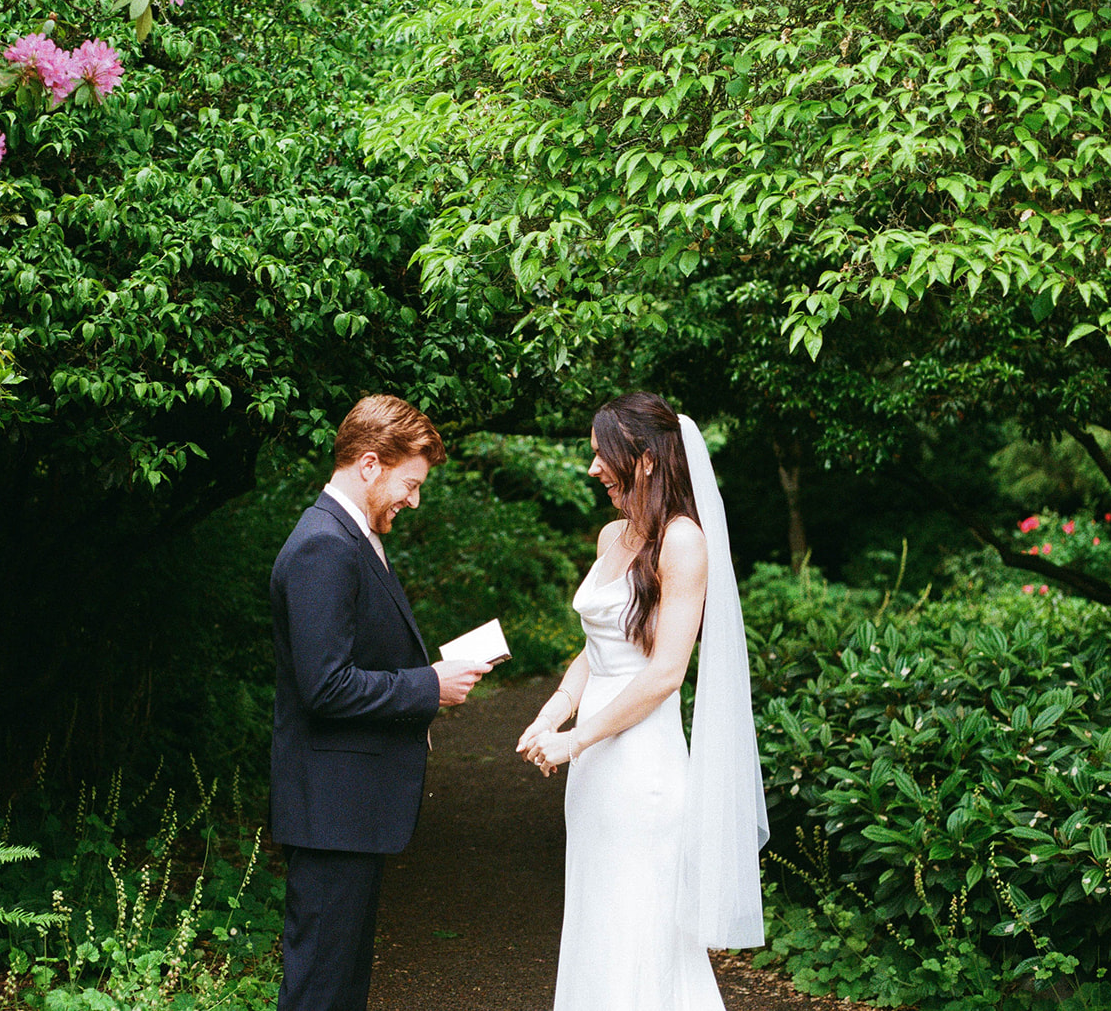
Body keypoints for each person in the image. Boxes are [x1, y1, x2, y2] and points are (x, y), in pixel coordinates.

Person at [518, 391, 769, 1011]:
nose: (593, 468)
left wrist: (576, 739)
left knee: (641, 928)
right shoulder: (612, 535)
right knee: (597, 919)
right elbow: (596, 650)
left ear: (647, 459)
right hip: (596, 768)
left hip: (641, 768)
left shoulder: (684, 542)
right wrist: (553, 711)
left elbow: (664, 673)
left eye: (604, 454)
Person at [270, 393, 489, 1011]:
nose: (413, 500)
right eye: (410, 483)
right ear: (370, 464)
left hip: (348, 811)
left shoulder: (351, 536)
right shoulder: (324, 545)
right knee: (318, 990)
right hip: (332, 812)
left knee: (340, 989)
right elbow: (325, 686)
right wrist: (430, 686)